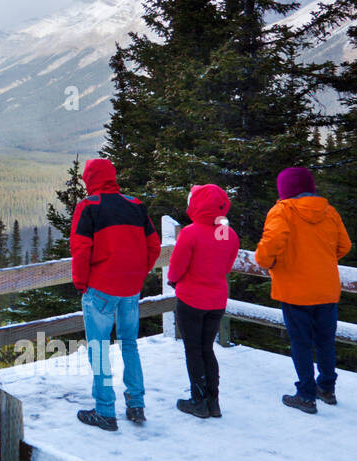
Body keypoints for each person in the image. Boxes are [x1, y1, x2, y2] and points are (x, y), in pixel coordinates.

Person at [70, 158, 161, 431]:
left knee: (99, 348)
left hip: (100, 288)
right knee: (129, 344)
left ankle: (105, 411)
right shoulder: (135, 205)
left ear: (89, 180)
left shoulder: (88, 206)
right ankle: (136, 405)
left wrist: (81, 282)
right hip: (130, 289)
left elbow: (81, 248)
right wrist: (138, 273)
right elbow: (153, 246)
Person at [254, 166, 352, 414]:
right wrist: (323, 260)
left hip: (294, 289)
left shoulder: (282, 211)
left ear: (284, 190)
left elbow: (270, 246)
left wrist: (268, 262)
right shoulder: (329, 212)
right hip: (326, 289)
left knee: (301, 343)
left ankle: (306, 396)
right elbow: (344, 246)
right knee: (325, 342)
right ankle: (327, 388)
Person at [166, 184, 240, 418]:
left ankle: (198, 401)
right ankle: (213, 402)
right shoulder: (228, 233)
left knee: (193, 350)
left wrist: (173, 281)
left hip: (191, 299)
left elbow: (177, 267)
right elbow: (226, 266)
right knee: (207, 349)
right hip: (217, 301)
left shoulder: (190, 232)